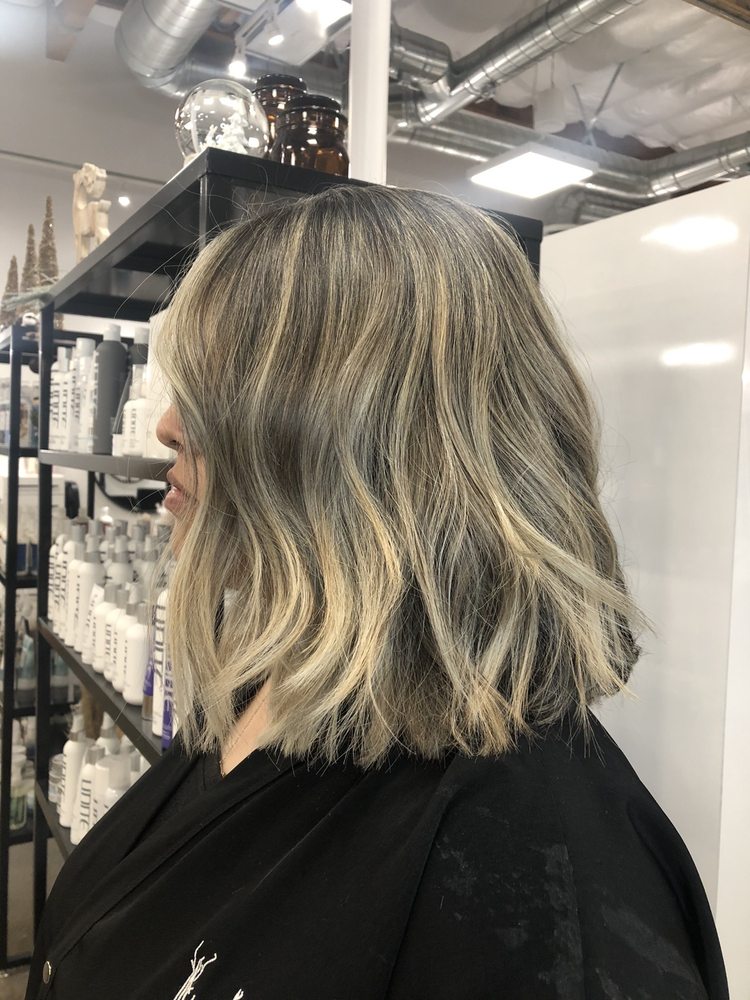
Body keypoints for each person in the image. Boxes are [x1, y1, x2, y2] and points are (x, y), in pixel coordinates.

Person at [27, 186, 728, 1000]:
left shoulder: (539, 890)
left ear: (362, 441)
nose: (167, 425)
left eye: (218, 388)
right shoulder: (278, 684)